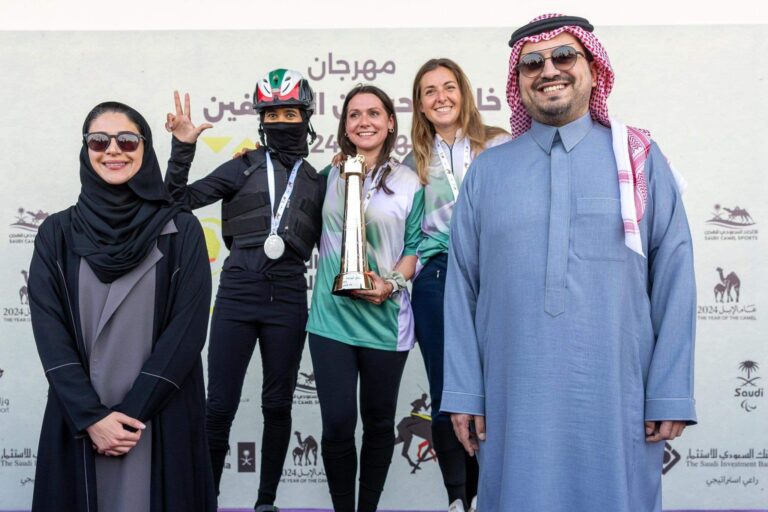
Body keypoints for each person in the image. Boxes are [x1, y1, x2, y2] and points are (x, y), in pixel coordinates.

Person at [442, 14, 696, 512]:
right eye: (531, 63)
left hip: (619, 396)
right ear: (518, 84)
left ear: (594, 70)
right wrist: (466, 391)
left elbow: (674, 275)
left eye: (564, 56)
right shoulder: (488, 171)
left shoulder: (639, 160)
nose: (548, 70)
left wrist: (669, 389)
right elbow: (461, 289)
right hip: (511, 398)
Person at [28, 101, 215, 512]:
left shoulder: (180, 230)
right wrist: (93, 418)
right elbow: (49, 330)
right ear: (86, 150)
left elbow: (187, 331)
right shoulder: (56, 233)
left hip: (159, 414)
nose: (113, 150)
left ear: (145, 148)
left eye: (127, 140)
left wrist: (129, 417)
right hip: (79, 416)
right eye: (99, 140)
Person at [164, 69, 325, 512]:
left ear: (306, 118)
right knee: (219, 408)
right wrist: (182, 148)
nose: (281, 122)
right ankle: (206, 502)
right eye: (272, 115)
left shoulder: (318, 180)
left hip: (289, 297)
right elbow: (176, 200)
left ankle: (265, 503)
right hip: (237, 294)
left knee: (277, 406)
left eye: (290, 113)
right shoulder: (243, 164)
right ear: (261, 121)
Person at [306, 84, 424, 512]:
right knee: (337, 424)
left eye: (374, 113)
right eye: (354, 115)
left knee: (378, 425)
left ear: (390, 122)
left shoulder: (410, 182)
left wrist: (390, 283)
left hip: (384, 320)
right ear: (344, 126)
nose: (364, 122)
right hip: (330, 319)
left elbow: (415, 249)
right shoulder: (327, 177)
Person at [404, 57, 509, 512]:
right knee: (449, 389)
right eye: (430, 91)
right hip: (439, 276)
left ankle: (493, 492)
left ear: (464, 94)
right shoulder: (412, 163)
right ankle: (457, 497)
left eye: (449, 87)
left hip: (499, 275)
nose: (441, 96)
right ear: (421, 106)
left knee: (501, 383)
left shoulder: (502, 144)